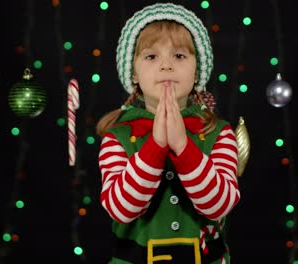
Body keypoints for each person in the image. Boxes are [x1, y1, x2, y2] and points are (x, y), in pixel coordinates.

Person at [96, 3, 241, 263]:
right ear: (134, 73)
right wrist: (156, 145)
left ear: (197, 72)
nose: (166, 66)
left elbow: (219, 205)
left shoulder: (219, 133)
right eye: (151, 57)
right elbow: (120, 209)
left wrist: (184, 147)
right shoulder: (117, 136)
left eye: (179, 56)